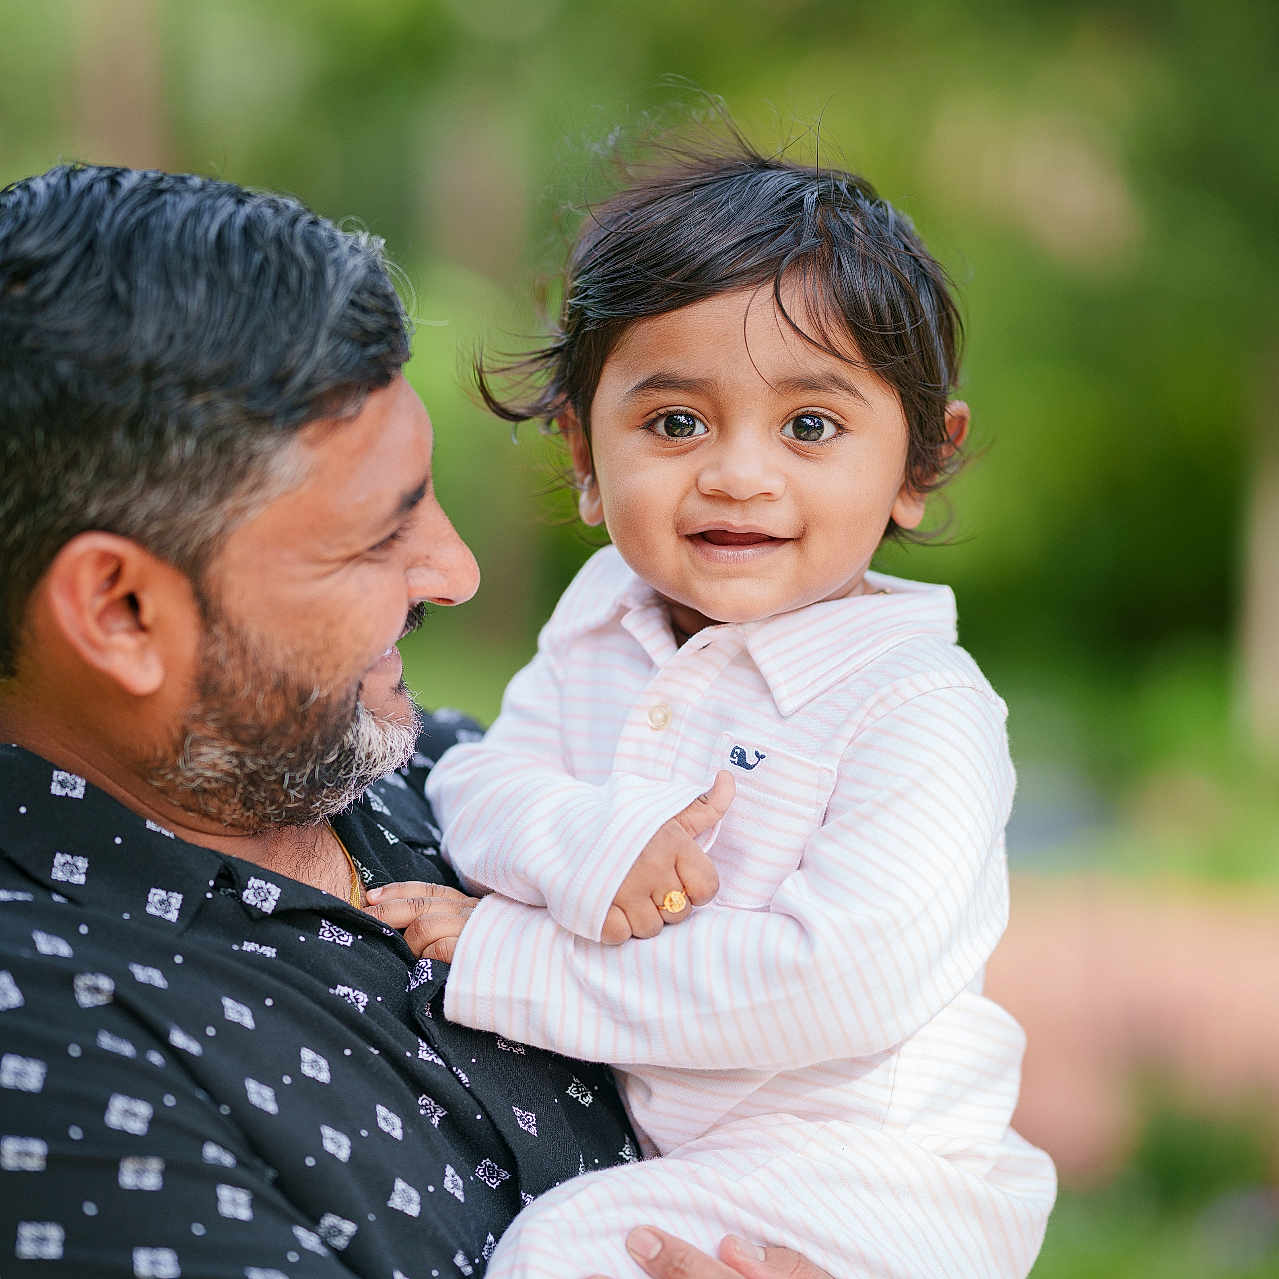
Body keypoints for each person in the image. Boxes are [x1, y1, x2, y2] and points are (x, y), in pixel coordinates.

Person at [0, 161, 827, 1279]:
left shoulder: (430, 769)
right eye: (376, 535)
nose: (457, 570)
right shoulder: (48, 1058)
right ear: (122, 609)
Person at [405, 138, 1058, 1278]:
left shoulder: (917, 708)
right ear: (582, 451)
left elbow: (833, 979)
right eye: (674, 424)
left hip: (879, 1172)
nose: (737, 474)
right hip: (715, 1153)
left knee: (563, 1252)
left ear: (917, 461)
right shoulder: (606, 610)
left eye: (810, 426)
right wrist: (595, 845)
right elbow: (475, 780)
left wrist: (517, 959)